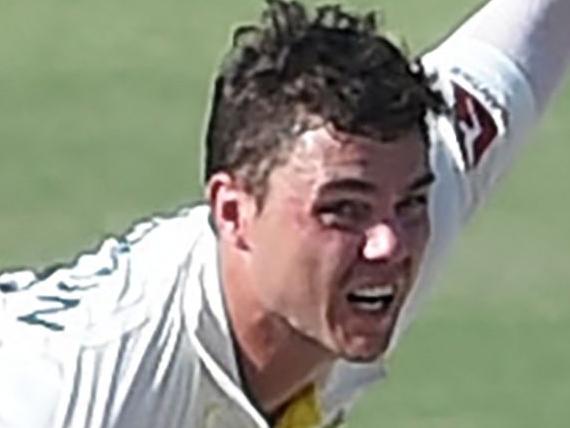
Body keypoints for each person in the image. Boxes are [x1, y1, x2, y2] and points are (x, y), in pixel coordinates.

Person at [0, 0, 568, 427]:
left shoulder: (417, 184)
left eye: (411, 203)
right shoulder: (72, 398)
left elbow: (532, 33)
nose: (389, 245)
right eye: (342, 210)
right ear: (233, 212)